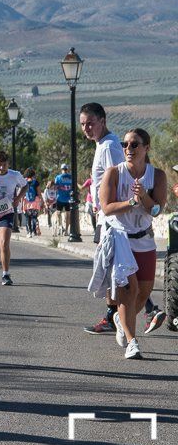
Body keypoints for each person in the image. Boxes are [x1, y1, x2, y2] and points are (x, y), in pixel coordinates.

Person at [80, 103, 166, 335]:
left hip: (115, 220)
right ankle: (123, 315)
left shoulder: (109, 147)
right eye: (83, 124)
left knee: (117, 272)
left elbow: (119, 178)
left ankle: (137, 312)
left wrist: (131, 202)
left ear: (103, 121)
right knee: (115, 271)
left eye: (90, 123)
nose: (86, 128)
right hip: (111, 216)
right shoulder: (103, 144)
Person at [98, 128, 167, 359]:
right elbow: (106, 207)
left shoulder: (157, 176)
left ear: (146, 148)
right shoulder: (114, 173)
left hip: (145, 240)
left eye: (134, 145)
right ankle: (132, 342)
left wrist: (144, 198)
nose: (128, 149)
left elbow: (157, 210)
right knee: (130, 289)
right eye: (125, 144)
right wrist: (130, 201)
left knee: (144, 292)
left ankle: (120, 318)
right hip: (121, 239)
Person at [0, 151, 26, 286]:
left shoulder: (15, 175)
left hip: (6, 212)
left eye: (4, 165)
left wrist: (18, 198)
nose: (1, 168)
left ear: (8, 164)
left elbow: (25, 185)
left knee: (4, 243)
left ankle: (6, 274)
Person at [21, 168, 43, 237]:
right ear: (33, 174)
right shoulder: (36, 182)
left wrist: (22, 204)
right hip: (35, 202)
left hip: (26, 202)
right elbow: (39, 193)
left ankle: (29, 232)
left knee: (28, 218)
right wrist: (42, 201)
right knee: (34, 217)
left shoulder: (24, 182)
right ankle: (34, 231)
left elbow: (22, 194)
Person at [53, 163, 74, 236]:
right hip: (64, 198)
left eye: (65, 169)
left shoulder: (59, 177)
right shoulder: (69, 177)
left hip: (64, 198)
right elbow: (55, 187)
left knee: (62, 214)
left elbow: (55, 187)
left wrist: (59, 187)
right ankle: (62, 229)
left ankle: (64, 229)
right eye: (64, 169)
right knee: (63, 214)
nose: (64, 171)